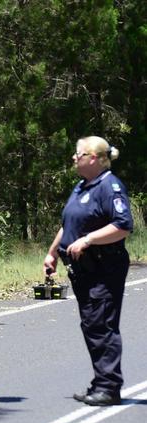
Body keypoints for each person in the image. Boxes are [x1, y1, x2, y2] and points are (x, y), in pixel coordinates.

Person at [44, 136, 133, 406]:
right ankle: (100, 382)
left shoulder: (110, 186)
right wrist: (52, 252)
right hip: (82, 269)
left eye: (79, 154)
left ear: (93, 158)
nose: (74, 158)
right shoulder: (82, 186)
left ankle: (109, 387)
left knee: (102, 326)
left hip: (104, 267)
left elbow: (123, 226)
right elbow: (68, 223)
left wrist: (89, 239)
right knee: (91, 326)